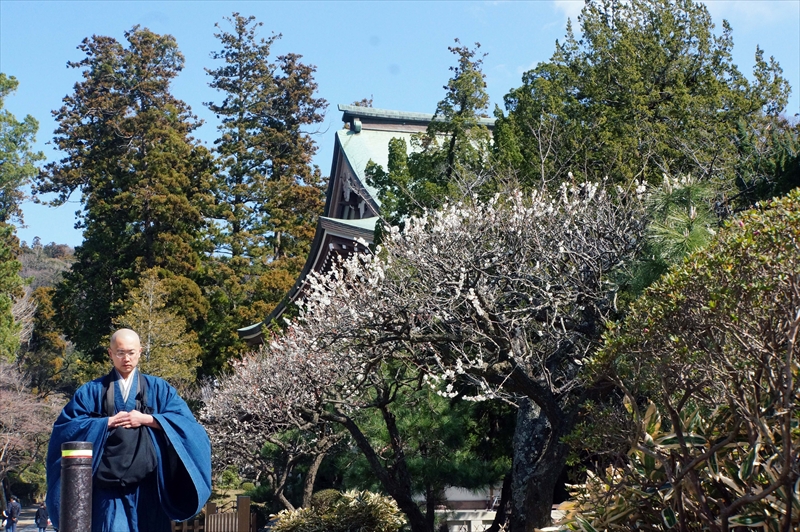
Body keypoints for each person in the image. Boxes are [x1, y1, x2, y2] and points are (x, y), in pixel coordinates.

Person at [46, 328, 211, 532]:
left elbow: (189, 427)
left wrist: (147, 419)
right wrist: (104, 423)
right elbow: (66, 428)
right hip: (108, 488)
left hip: (148, 487)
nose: (126, 358)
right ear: (110, 353)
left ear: (140, 351)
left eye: (131, 352)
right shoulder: (91, 391)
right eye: (120, 352)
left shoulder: (160, 389)